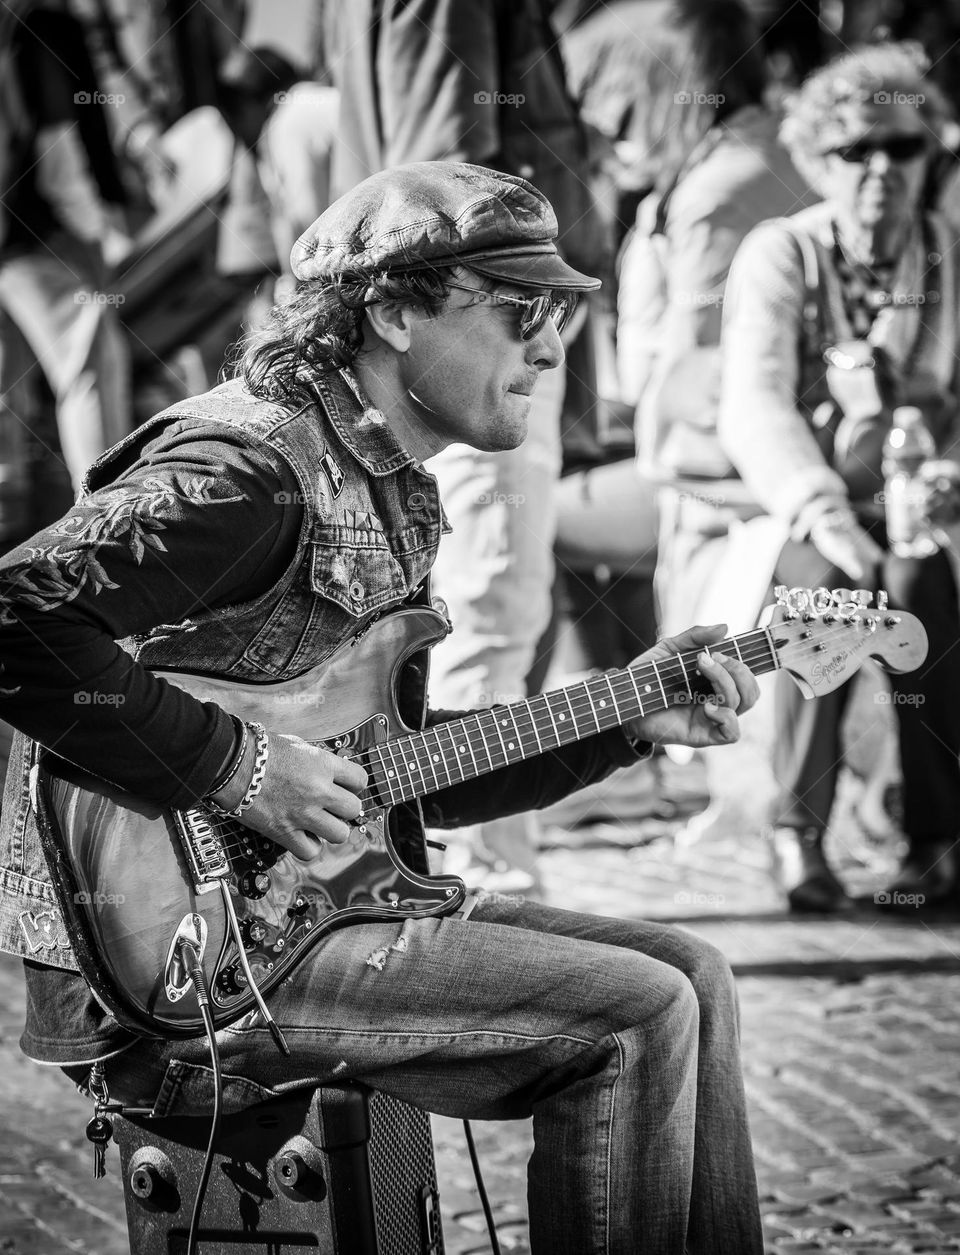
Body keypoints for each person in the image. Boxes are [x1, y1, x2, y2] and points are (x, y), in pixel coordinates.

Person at [0, 162, 764, 1254]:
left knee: (697, 973)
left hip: (325, 912)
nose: (550, 348)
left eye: (554, 315)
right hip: (174, 968)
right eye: (519, 313)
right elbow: (16, 611)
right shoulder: (242, 470)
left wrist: (632, 716)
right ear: (395, 312)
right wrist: (243, 772)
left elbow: (385, 769)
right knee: (637, 1016)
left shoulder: (388, 476)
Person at [718, 43, 960, 911]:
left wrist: (948, 474)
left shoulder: (947, 252)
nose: (879, 169)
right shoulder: (780, 253)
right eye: (855, 150)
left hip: (920, 501)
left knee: (923, 586)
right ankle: (799, 830)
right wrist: (825, 510)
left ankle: (937, 837)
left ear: (930, 154)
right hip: (795, 502)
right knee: (825, 594)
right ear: (819, 160)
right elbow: (754, 405)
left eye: (901, 147)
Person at [0, 0, 132, 495]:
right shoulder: (40, 25)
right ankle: (108, 518)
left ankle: (9, 521)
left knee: (6, 386)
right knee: (88, 363)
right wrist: (93, 228)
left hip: (11, 236)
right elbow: (57, 137)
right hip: (38, 230)